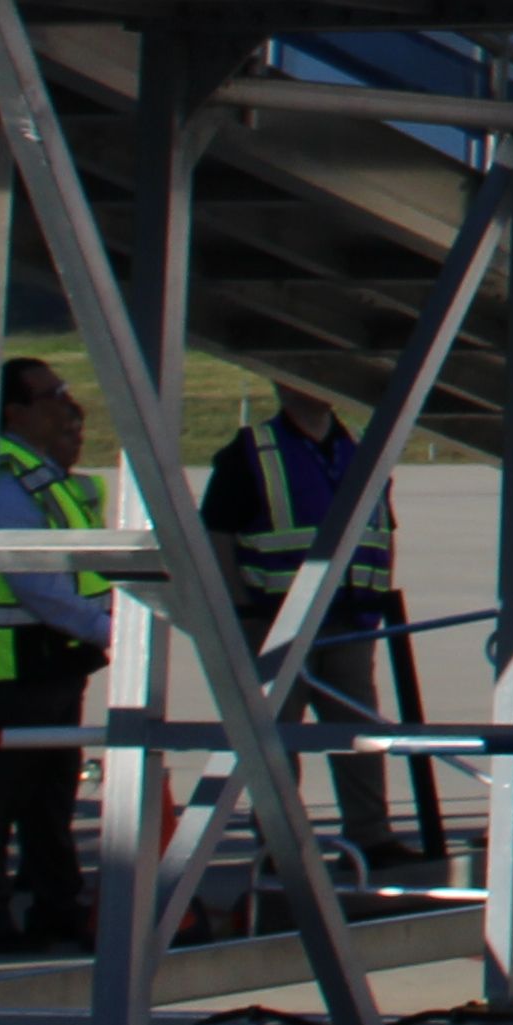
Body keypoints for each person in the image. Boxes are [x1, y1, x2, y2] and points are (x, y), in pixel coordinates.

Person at [202, 375, 404, 875]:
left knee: (357, 732)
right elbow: (217, 533)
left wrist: (376, 599)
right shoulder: (251, 451)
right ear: (280, 385)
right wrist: (240, 607)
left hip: (349, 618)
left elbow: (383, 526)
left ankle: (371, 836)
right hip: (275, 621)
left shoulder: (360, 448)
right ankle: (280, 843)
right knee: (275, 738)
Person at [0, 360, 106, 955]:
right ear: (15, 412)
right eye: (52, 394)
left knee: (50, 797)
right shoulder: (5, 478)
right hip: (13, 669)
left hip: (56, 662)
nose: (67, 404)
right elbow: (37, 584)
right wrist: (111, 628)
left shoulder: (51, 476)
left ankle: (57, 907)